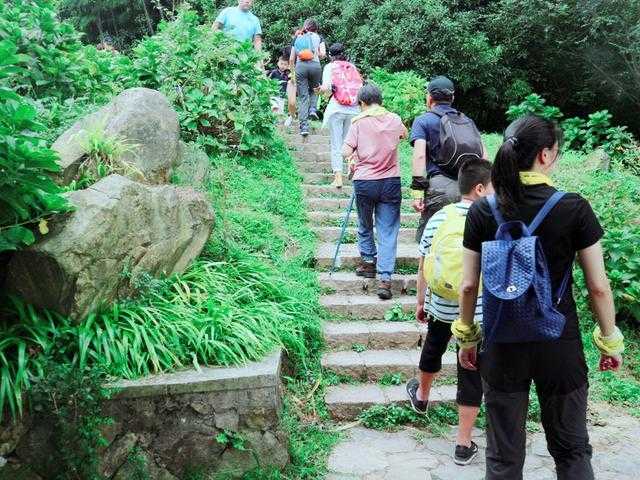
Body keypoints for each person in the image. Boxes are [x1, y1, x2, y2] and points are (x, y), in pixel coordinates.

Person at [455, 115, 625, 479]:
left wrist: (467, 337)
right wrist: (610, 342)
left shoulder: (483, 210)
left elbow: (468, 285)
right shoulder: (573, 207)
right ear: (545, 155)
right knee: (572, 450)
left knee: (503, 457)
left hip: (502, 345)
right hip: (559, 344)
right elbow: (598, 286)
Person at [406, 158, 493, 466]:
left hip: (441, 302)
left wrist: (421, 301)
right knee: (471, 367)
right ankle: (463, 443)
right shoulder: (491, 218)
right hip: (478, 310)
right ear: (481, 189)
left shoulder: (440, 217)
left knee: (433, 345)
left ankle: (422, 397)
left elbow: (424, 263)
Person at [342, 84, 408, 300]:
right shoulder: (395, 119)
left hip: (365, 182)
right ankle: (385, 279)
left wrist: (353, 158)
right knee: (388, 230)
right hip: (390, 181)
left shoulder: (358, 122)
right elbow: (404, 135)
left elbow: (346, 150)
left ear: (362, 103)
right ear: (380, 100)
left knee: (364, 223)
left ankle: (368, 262)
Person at [410, 76, 486, 242]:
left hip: (439, 188)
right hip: (468, 189)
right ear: (452, 97)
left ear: (429, 97)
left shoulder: (423, 121)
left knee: (431, 240)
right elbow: (484, 157)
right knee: (463, 240)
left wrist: (417, 192)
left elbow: (420, 155)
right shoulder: (467, 121)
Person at [317, 43, 361, 188]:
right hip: (354, 109)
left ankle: (338, 178)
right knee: (348, 143)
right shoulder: (352, 67)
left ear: (330, 55)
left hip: (337, 108)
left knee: (336, 144)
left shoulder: (330, 67)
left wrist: (319, 90)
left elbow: (327, 88)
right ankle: (351, 166)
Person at [289, 19, 326, 137]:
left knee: (303, 97)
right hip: (315, 66)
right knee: (315, 89)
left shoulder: (298, 37)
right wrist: (316, 54)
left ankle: (304, 127)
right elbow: (323, 54)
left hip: (300, 67)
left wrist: (293, 72)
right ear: (316, 29)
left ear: (304, 27)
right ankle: (313, 110)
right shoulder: (319, 38)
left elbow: (291, 59)